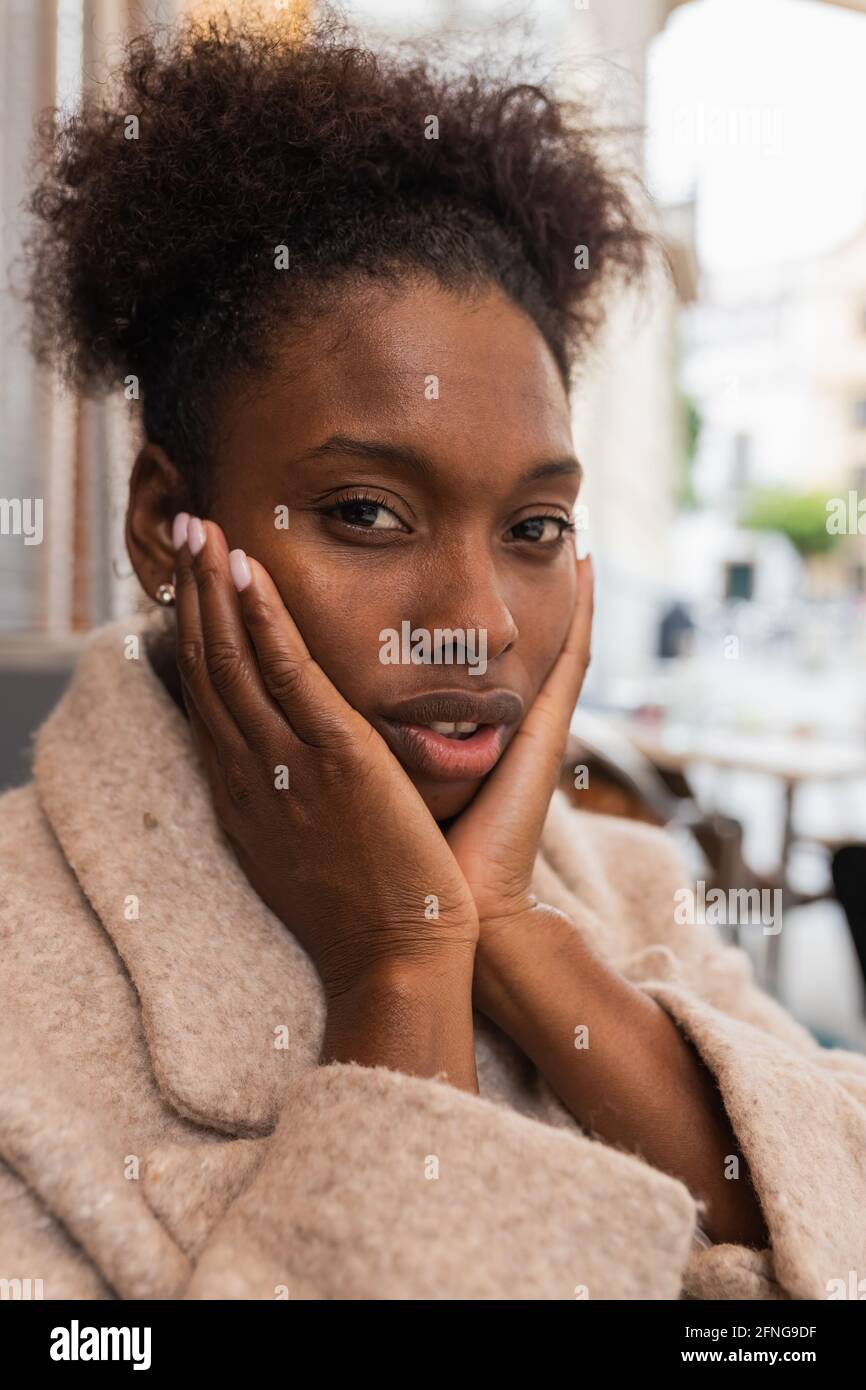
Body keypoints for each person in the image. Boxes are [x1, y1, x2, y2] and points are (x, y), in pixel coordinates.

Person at [2, 4, 864, 1301]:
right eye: (364, 512)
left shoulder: (627, 887)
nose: (476, 619)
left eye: (535, 526)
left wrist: (520, 937)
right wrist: (399, 967)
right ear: (160, 526)